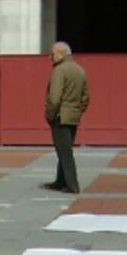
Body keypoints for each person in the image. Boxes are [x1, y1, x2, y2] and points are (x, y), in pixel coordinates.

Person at [42, 41, 89, 194]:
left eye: (52, 54)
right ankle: (60, 181)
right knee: (64, 149)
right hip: (72, 116)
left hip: (60, 116)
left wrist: (49, 115)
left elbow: (55, 98)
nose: (50, 57)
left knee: (64, 152)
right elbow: (85, 97)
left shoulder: (59, 70)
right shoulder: (79, 70)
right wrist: (77, 111)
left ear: (61, 53)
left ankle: (72, 184)